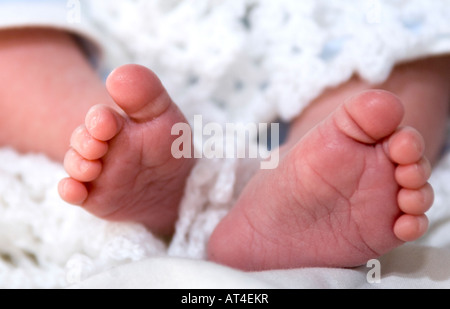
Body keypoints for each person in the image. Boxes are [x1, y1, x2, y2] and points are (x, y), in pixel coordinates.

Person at [0, 0, 449, 271]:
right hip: (108, 33)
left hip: (315, 24)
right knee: (17, 40)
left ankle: (301, 176)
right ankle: (127, 147)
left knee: (411, 39)